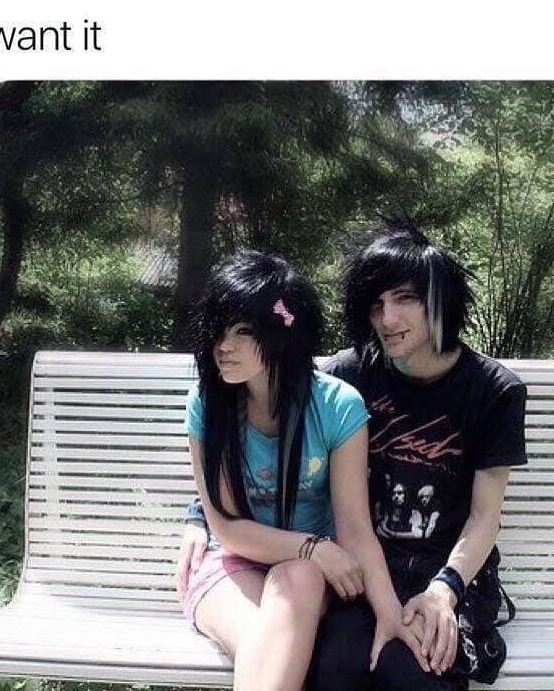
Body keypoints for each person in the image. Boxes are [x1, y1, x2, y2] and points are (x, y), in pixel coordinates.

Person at [179, 222, 527, 690]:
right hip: (336, 566)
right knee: (322, 666)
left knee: (409, 672)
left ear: (439, 300)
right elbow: (265, 428)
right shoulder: (352, 371)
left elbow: (483, 517)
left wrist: (444, 589)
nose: (387, 319)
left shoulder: (492, 391)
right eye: (376, 304)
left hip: (426, 570)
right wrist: (200, 514)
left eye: (404, 299)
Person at [178, 249, 424, 691]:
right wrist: (314, 547)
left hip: (307, 577)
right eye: (218, 329)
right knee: (274, 653)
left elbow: (355, 530)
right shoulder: (208, 403)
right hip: (230, 564)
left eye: (243, 331)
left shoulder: (337, 406)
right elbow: (227, 529)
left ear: (283, 333)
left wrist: (389, 612)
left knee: (292, 605)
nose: (224, 345)